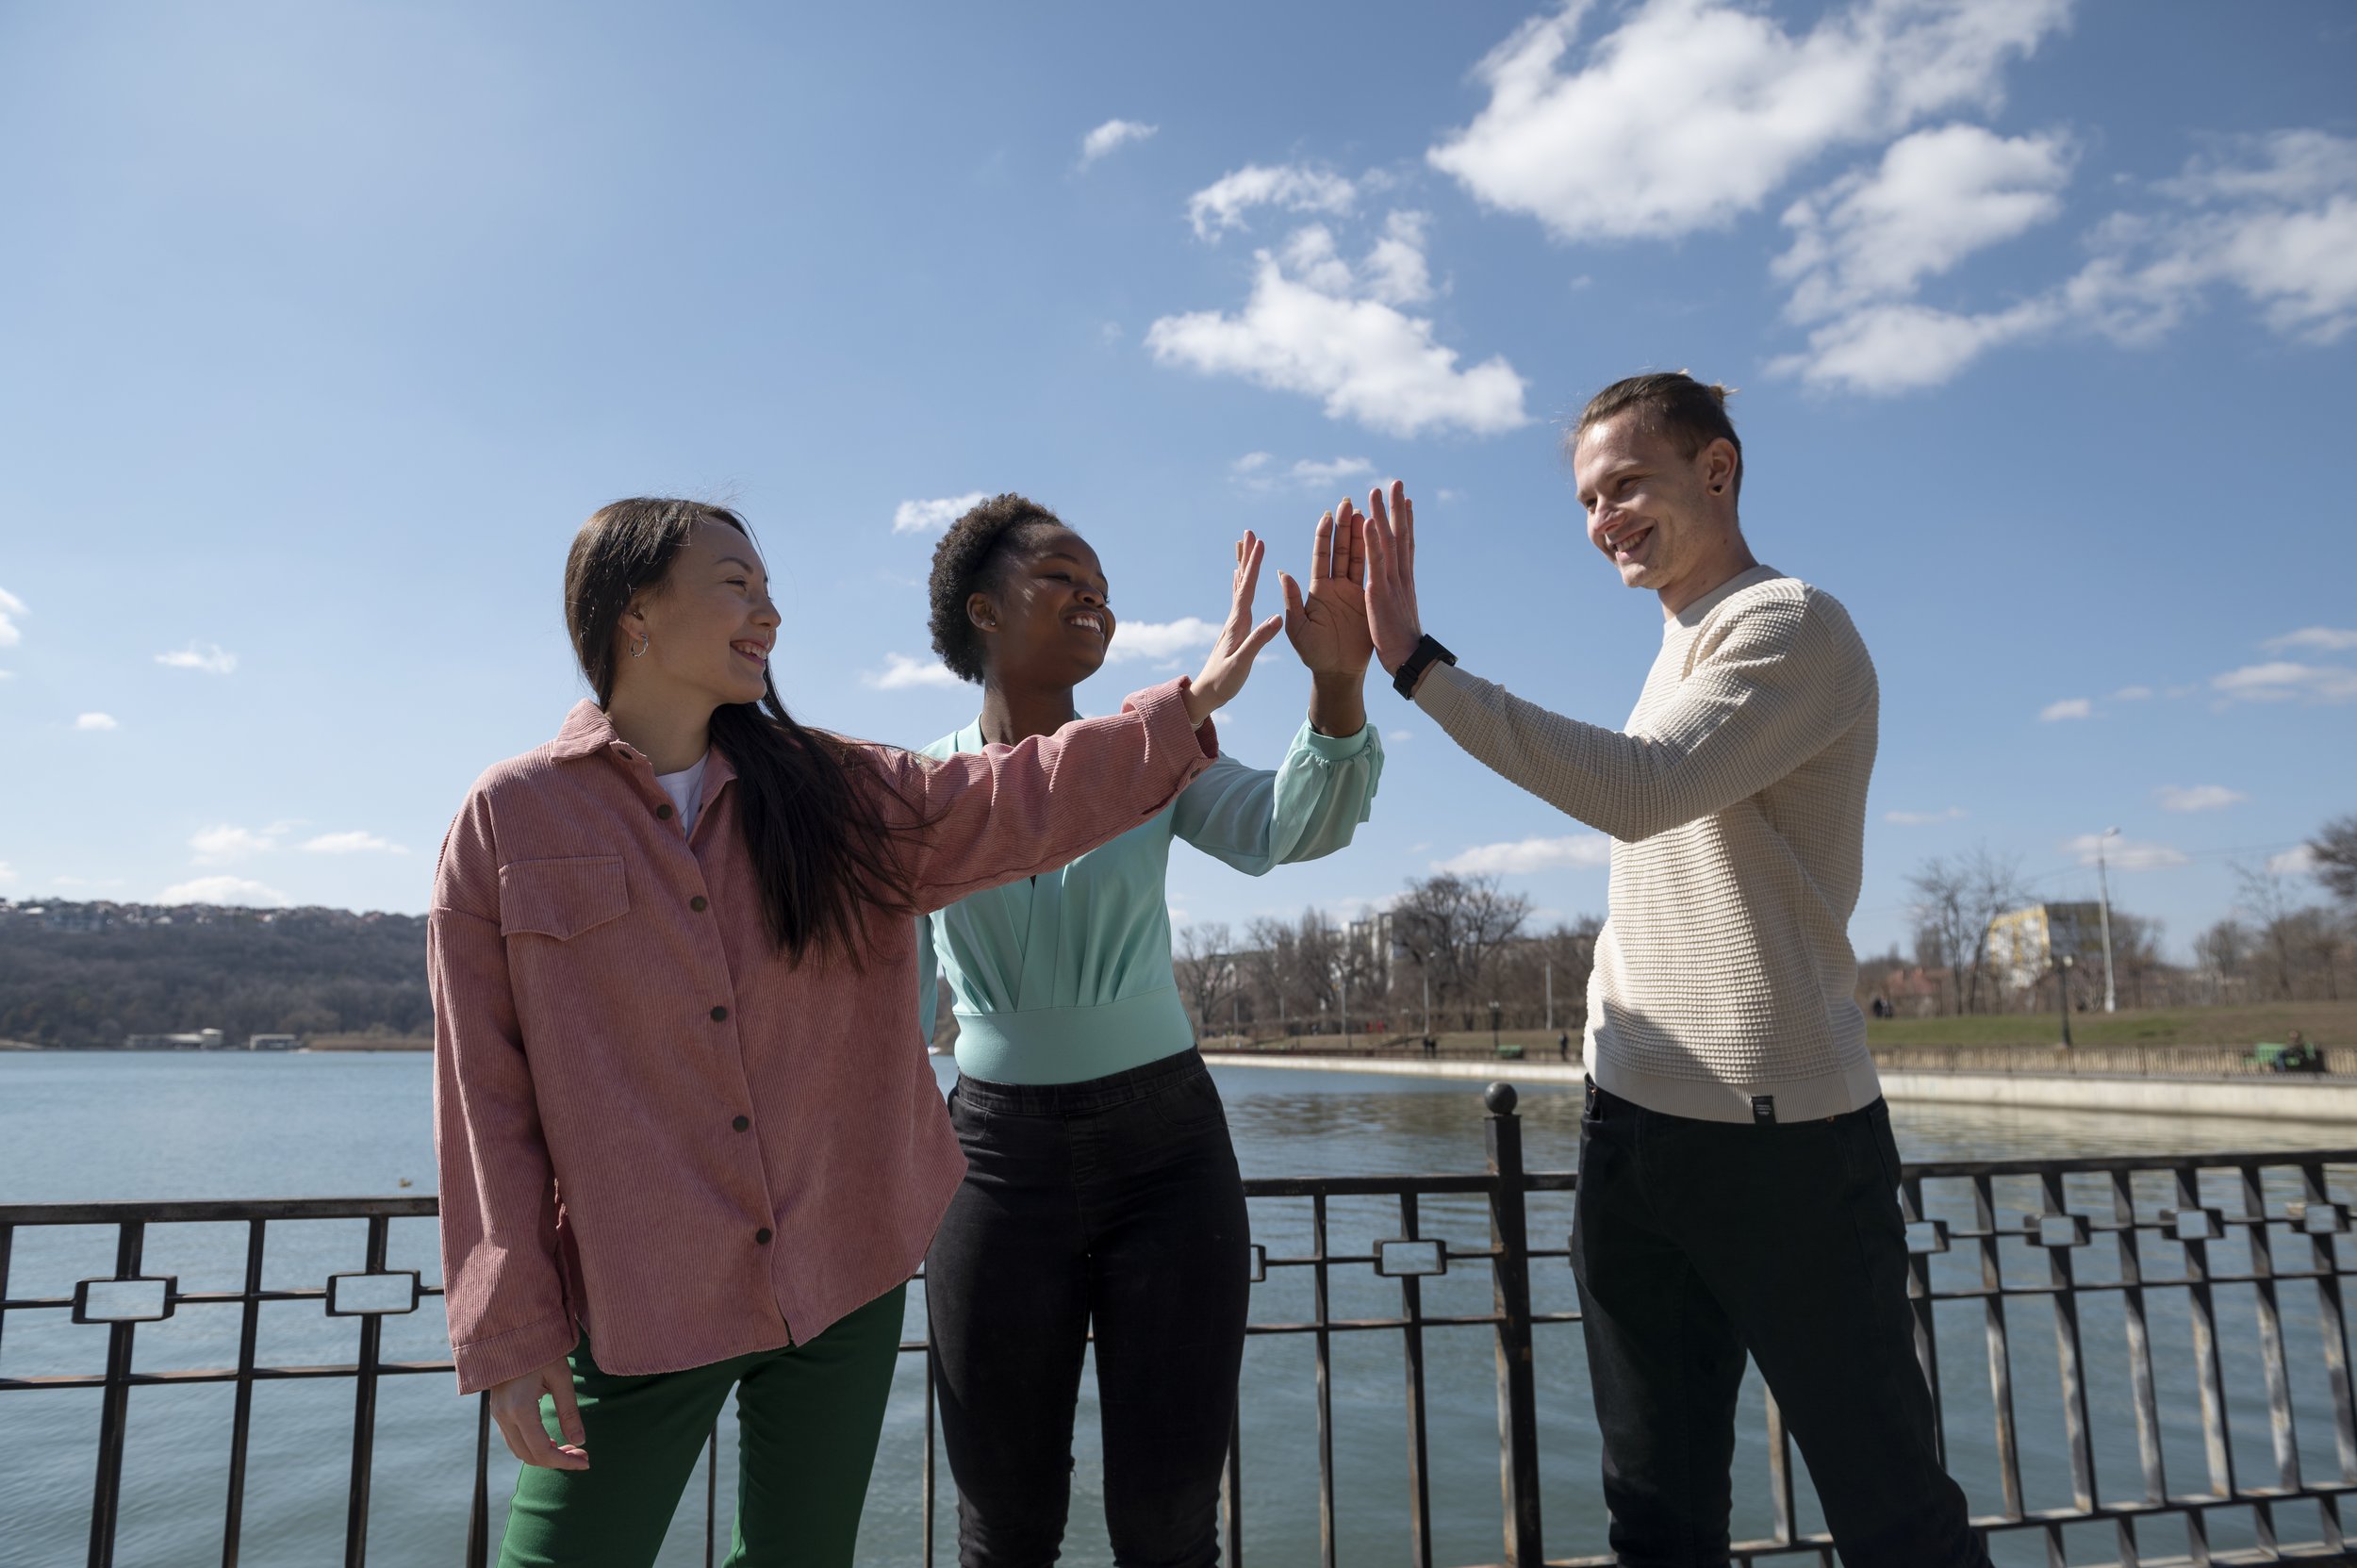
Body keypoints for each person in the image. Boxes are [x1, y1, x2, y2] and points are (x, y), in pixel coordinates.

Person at [429, 498, 1285, 1568]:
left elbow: (1016, 796)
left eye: (768, 586)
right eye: (735, 582)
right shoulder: (511, 818)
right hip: (642, 1294)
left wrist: (1188, 702)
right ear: (635, 608)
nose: (770, 611)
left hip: (841, 1279)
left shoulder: (839, 792)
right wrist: (510, 1331)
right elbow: (484, 1101)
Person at [1359, 373, 1991, 1568]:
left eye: (1628, 484)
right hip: (1632, 1133)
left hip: (1785, 1144)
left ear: (1718, 469)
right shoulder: (1675, 651)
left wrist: (1415, 664)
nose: (1604, 518)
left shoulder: (1790, 624)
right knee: (1656, 1516)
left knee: (1891, 1509)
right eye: (1589, 499)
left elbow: (1641, 790)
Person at [914, 493, 1382, 1568]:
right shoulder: (923, 787)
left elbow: (1288, 827)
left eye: (1103, 589)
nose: (1094, 600)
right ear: (981, 609)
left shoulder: (1150, 753)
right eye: (1062, 577)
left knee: (1171, 1530)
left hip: (1166, 1150)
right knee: (1003, 1524)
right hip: (987, 1163)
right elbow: (895, 1018)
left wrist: (1336, 684)